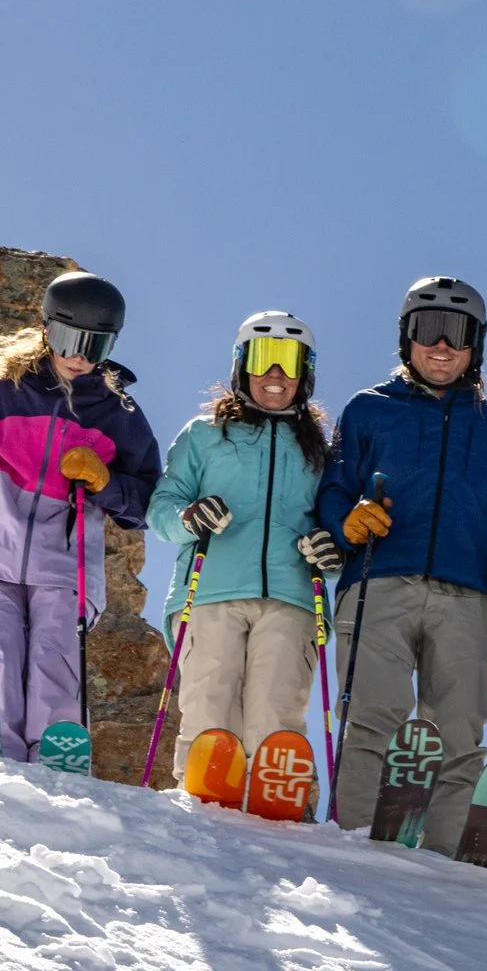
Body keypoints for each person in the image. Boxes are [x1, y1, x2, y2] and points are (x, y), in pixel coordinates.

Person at [317, 276, 487, 851]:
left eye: (458, 333)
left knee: (458, 730)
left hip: (467, 594)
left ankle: (446, 864)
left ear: (477, 346)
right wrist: (350, 520)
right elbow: (335, 488)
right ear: (405, 337)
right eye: (427, 330)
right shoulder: (369, 410)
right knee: (373, 715)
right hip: (378, 581)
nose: (442, 346)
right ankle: (357, 839)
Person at [0, 272, 162, 763]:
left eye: (95, 345)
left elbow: (144, 506)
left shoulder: (119, 413)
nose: (80, 356)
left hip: (65, 565)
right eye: (70, 340)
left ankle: (55, 748)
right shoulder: (3, 394)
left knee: (53, 658)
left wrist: (103, 482)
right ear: (46, 329)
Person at [147, 311, 347, 779]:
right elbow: (163, 506)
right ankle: (201, 807)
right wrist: (189, 518)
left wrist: (331, 552)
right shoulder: (204, 434)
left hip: (292, 597)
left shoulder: (320, 449)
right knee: (209, 714)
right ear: (242, 365)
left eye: (289, 362)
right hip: (211, 590)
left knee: (274, 721)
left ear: (306, 373)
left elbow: (335, 525)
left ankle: (268, 821)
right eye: (264, 359)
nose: (275, 375)